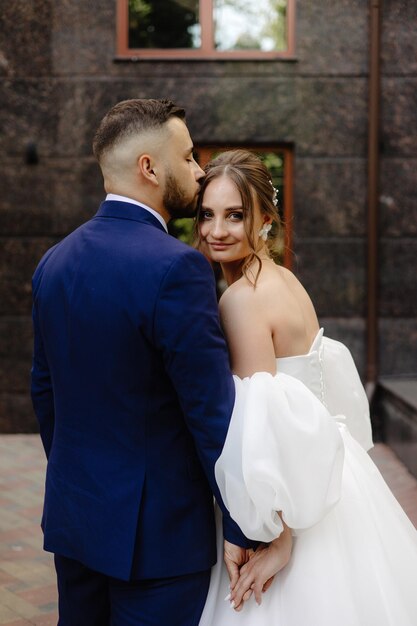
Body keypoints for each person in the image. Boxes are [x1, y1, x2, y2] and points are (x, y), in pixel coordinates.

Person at [30, 99, 258, 626]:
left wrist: (80, 479)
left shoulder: (53, 262)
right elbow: (209, 412)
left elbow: (44, 393)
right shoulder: (176, 268)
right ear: (149, 168)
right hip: (156, 537)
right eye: (188, 156)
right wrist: (245, 527)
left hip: (75, 518)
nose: (199, 171)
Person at [195, 149, 417, 626]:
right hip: (336, 479)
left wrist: (278, 540)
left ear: (265, 219)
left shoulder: (241, 299)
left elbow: (267, 420)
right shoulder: (287, 280)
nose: (217, 230)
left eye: (235, 215)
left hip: (292, 499)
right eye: (207, 215)